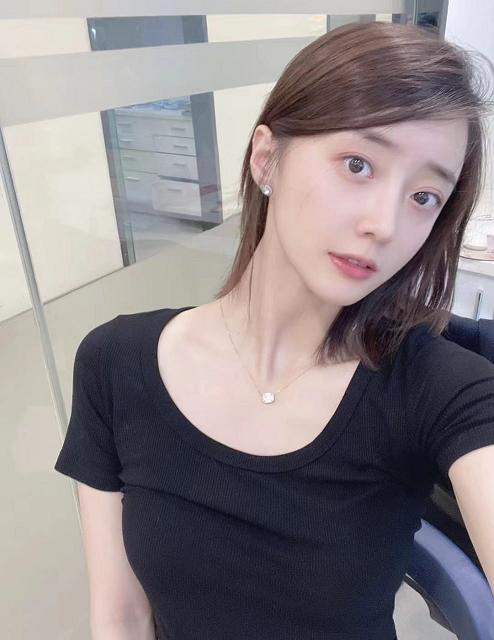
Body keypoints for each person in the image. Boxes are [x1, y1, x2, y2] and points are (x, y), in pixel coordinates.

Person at [54, 20, 494, 640]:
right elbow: (121, 617)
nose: (385, 224)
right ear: (267, 157)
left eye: (424, 197)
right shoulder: (115, 363)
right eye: (359, 164)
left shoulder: (439, 387)